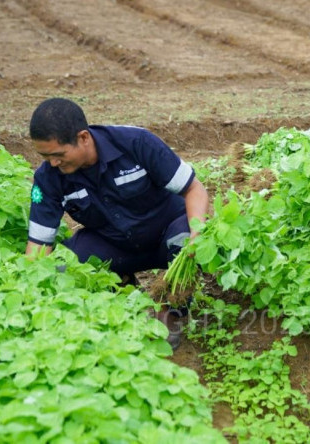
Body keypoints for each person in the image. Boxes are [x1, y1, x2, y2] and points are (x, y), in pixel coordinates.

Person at [25, 98, 209, 345]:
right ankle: (121, 292)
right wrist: (28, 297)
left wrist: (198, 239)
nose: (53, 163)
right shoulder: (48, 177)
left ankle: (170, 310)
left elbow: (194, 190)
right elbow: (38, 246)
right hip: (116, 245)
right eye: (45, 156)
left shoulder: (136, 143)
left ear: (83, 137)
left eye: (58, 155)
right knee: (65, 264)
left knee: (186, 238)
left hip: (168, 235)